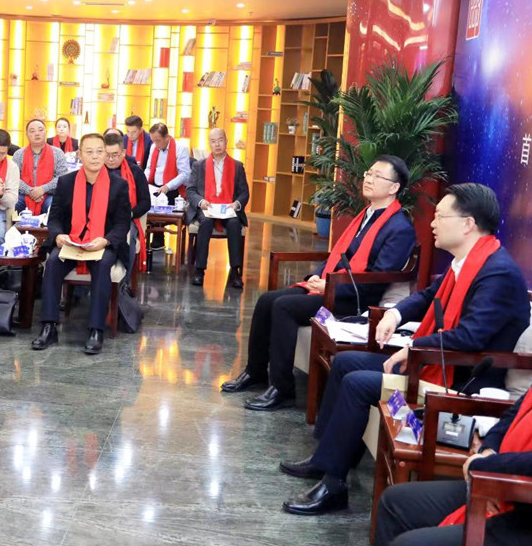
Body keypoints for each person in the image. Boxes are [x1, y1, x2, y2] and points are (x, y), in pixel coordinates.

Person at [279, 183, 529, 516]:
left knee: (357, 383)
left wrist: (413, 348)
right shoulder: (469, 261)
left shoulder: (497, 273)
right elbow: (427, 297)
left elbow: (470, 337)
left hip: (462, 381)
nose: (432, 224)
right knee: (346, 362)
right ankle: (326, 460)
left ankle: (333, 485)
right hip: (440, 361)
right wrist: (395, 315)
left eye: (440, 216)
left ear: (467, 224)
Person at [222, 155, 417, 411]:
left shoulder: (400, 228)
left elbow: (376, 281)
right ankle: (256, 371)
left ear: (394, 187)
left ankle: (282, 387)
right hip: (336, 287)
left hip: (355, 300)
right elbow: (339, 255)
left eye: (377, 176)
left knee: (284, 307)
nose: (368, 179)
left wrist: (332, 286)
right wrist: (316, 276)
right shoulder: (366, 215)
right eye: (368, 173)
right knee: (266, 300)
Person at [374, 386, 532, 546]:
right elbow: (510, 416)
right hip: (495, 481)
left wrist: (484, 467)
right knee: (394, 501)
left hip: (521, 508)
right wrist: (487, 452)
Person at [31, 133, 131, 355]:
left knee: (103, 265)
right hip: (72, 241)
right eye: (89, 152)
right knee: (53, 262)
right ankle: (49, 327)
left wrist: (105, 240)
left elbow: (122, 224)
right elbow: (54, 218)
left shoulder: (118, 185)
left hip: (101, 243)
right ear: (79, 155)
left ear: (105, 154)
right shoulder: (66, 182)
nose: (95, 157)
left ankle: (96, 330)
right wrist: (58, 236)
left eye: (99, 152)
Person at [186, 127, 249, 289]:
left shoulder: (237, 166)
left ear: (226, 142)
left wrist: (236, 204)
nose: (217, 144)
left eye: (220, 140)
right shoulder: (199, 166)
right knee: (206, 223)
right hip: (207, 207)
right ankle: (199, 270)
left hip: (228, 208)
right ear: (209, 144)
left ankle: (235, 271)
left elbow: (244, 193)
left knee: (234, 224)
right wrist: (201, 202)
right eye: (213, 141)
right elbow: (190, 191)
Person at [103, 129, 150, 271]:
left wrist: (130, 213)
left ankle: (126, 275)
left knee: (126, 234)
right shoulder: (96, 171)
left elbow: (145, 202)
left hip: (127, 217)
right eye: (107, 155)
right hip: (100, 217)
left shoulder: (135, 172)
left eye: (115, 155)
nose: (111, 159)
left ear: (123, 153)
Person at [144, 122, 189, 253]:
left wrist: (168, 186)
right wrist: (143, 182)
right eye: (153, 141)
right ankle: (149, 240)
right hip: (155, 185)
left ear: (167, 137)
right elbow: (148, 168)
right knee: (145, 198)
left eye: (158, 140)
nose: (156, 144)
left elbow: (185, 174)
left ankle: (158, 238)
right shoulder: (154, 147)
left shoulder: (181, 148)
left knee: (163, 198)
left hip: (173, 188)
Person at [13, 119, 67, 215]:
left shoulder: (58, 153)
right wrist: (30, 191)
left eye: (40, 130)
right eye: (32, 131)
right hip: (24, 195)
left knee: (53, 207)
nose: (37, 133)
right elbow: (14, 178)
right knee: (11, 204)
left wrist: (43, 189)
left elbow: (62, 178)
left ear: (46, 132)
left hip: (49, 195)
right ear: (27, 135)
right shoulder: (19, 154)